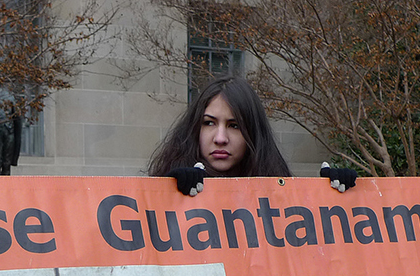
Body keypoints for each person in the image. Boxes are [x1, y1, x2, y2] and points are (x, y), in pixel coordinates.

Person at [147, 74, 356, 195]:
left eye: (234, 125)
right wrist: (167, 193)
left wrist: (334, 197)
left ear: (253, 134)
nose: (220, 138)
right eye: (209, 123)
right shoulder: (169, 186)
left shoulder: (278, 192)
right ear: (194, 128)